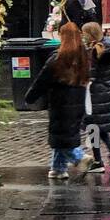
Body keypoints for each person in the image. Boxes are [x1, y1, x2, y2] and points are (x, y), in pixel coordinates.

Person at [23, 21, 91, 181]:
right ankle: (58, 169)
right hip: (78, 102)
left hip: (60, 104)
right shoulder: (82, 59)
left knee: (61, 138)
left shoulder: (57, 59)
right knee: (64, 135)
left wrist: (30, 97)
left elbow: (41, 81)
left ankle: (79, 157)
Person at [79, 21, 110, 172]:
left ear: (90, 34)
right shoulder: (109, 47)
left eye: (84, 33)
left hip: (95, 93)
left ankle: (98, 161)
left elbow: (90, 73)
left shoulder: (94, 51)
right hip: (108, 89)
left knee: (92, 126)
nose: (82, 36)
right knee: (99, 126)